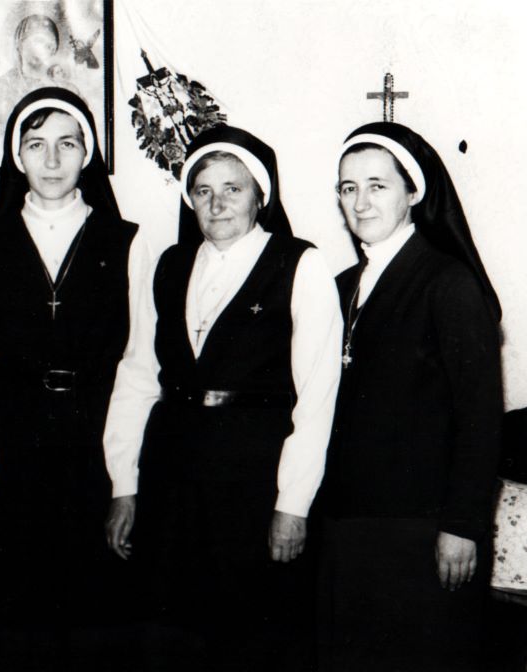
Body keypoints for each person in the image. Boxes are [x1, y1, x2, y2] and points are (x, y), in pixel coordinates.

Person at [104, 125, 342, 670]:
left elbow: (317, 400)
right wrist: (125, 484)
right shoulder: (168, 265)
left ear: (262, 195)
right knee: (172, 634)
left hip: (254, 483)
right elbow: (139, 374)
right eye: (203, 190)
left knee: (251, 637)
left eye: (233, 189)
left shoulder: (300, 265)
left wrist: (293, 504)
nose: (217, 203)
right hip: (172, 478)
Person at [0, 86, 151, 670]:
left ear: (88, 153)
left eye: (67, 143)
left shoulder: (128, 243)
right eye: (37, 145)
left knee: (95, 621)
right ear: (18, 158)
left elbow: (139, 368)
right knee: (15, 621)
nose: (54, 160)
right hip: (12, 447)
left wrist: (124, 482)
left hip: (95, 446)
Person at [317, 122, 503, 671]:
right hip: (351, 524)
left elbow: (479, 416)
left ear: (414, 193)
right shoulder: (343, 283)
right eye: (348, 187)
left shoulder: (448, 282)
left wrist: (462, 526)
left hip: (423, 527)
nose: (361, 201)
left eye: (378, 185)